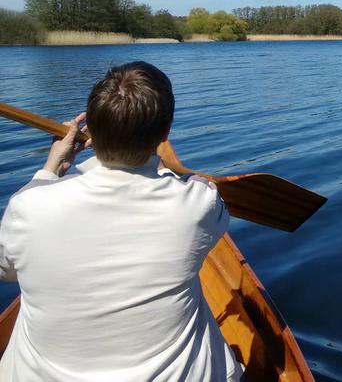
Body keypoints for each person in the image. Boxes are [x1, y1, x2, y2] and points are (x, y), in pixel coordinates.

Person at [0, 61, 241, 381]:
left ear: (91, 131)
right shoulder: (199, 204)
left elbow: (6, 271)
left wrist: (50, 169)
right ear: (165, 134)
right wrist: (163, 165)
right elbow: (203, 193)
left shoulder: (28, 206)